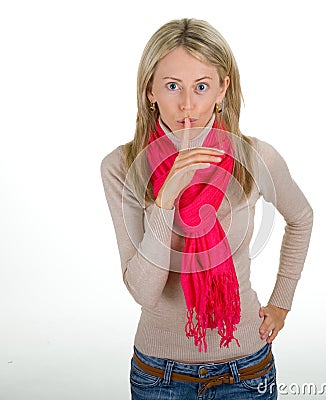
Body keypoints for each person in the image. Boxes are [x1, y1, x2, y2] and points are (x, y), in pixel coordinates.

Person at [100, 17, 313, 400]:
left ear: (222, 89)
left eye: (201, 86)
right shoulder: (121, 166)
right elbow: (144, 291)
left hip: (246, 368)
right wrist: (166, 201)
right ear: (150, 90)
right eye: (171, 86)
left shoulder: (256, 157)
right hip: (158, 374)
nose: (186, 104)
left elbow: (301, 218)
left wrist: (282, 300)